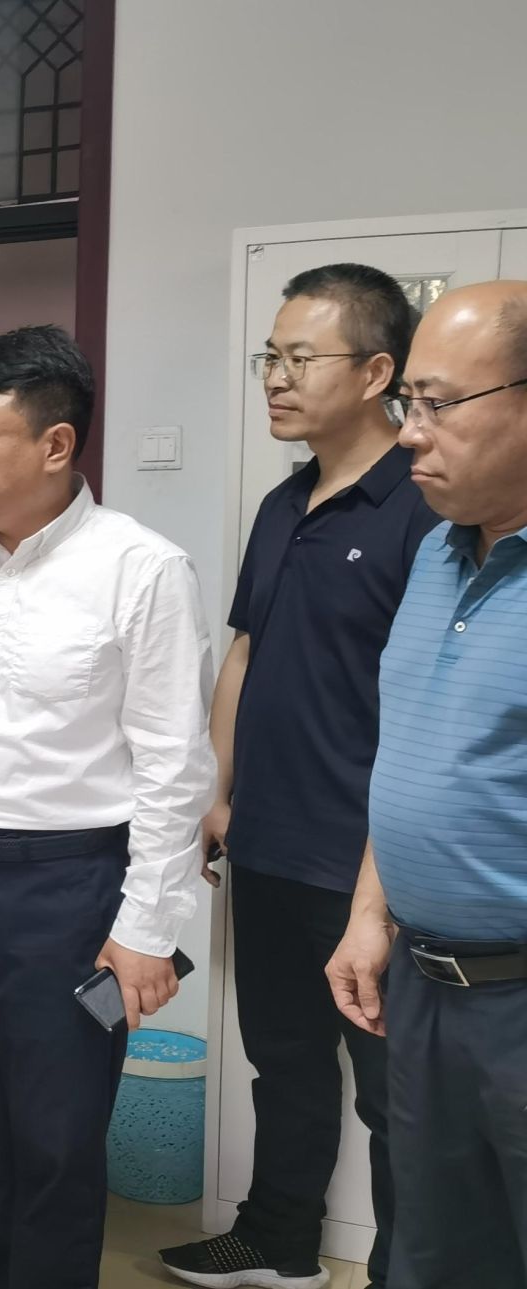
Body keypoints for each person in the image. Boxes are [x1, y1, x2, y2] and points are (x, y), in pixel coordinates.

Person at [0, 324, 215, 1289]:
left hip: (70, 893)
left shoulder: (141, 568)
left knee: (57, 1139)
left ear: (56, 444)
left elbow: (174, 766)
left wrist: (146, 929)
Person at [160, 264, 435, 1289]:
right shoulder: (282, 503)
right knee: (280, 1061)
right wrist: (215, 791)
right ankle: (278, 1242)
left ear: (375, 371)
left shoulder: (422, 504)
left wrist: (380, 876)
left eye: (298, 357)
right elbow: (245, 650)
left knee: (396, 1096)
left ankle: (406, 1269)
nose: (274, 377)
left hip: (370, 865)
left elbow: (429, 702)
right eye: (267, 358)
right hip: (267, 841)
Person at [327, 280, 527, 1289]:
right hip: (423, 987)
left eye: (438, 404)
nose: (408, 432)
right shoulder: (437, 553)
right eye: (409, 402)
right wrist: (370, 912)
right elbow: (408, 752)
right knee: (428, 1256)